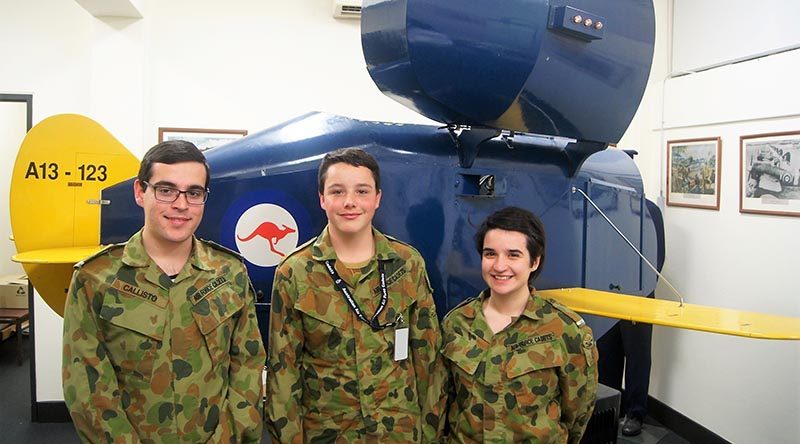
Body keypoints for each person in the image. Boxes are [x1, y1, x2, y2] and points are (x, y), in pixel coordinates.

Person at [62, 140, 266, 443]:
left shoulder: (230, 273)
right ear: (140, 192)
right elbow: (88, 390)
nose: (181, 204)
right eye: (166, 190)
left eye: (194, 193)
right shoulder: (96, 278)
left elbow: (247, 368)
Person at [266, 147, 446, 442]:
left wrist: (429, 433)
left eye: (362, 191)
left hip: (398, 433)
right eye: (337, 192)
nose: (350, 202)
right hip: (328, 433)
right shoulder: (294, 272)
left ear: (377, 198)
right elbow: (283, 374)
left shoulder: (407, 264)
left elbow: (428, 360)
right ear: (322, 199)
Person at [442, 206, 598, 443]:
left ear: (534, 261)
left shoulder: (565, 330)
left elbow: (576, 412)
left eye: (513, 255)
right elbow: (444, 398)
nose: (499, 266)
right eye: (490, 254)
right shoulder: (457, 323)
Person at [597, 199, 665, 437]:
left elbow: (657, 256)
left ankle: (635, 413)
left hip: (638, 295)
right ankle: (609, 408)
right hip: (603, 294)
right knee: (604, 354)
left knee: (637, 357)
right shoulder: (600, 205)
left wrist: (642, 289)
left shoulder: (649, 210)